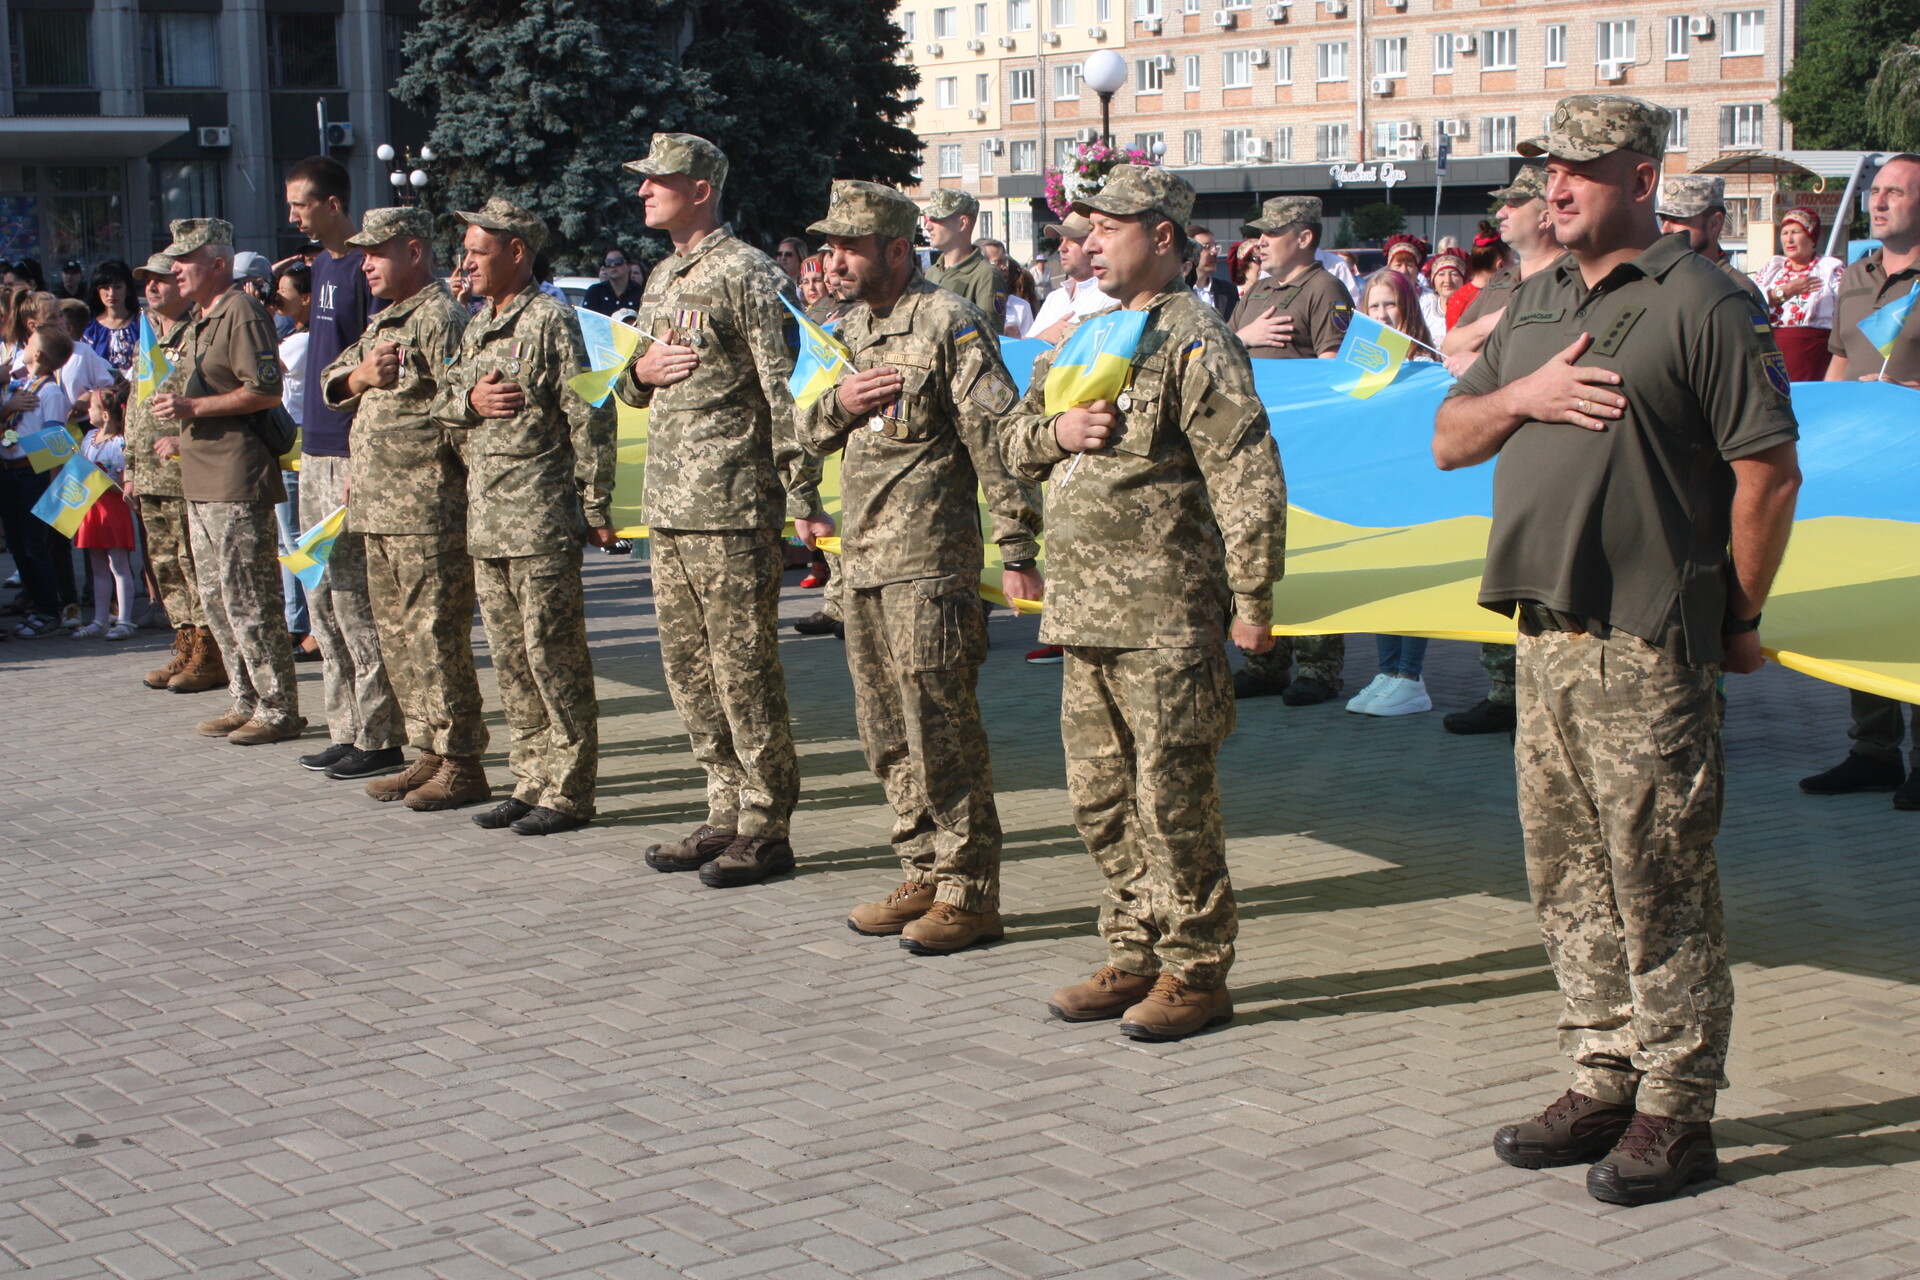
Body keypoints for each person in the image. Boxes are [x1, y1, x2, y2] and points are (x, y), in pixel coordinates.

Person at [1438, 94, 1802, 1206]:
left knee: (1660, 881)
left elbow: (1768, 473)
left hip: (1646, 643)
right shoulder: (1534, 299)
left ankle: (1678, 1108)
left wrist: (1736, 620)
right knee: (1568, 880)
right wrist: (1527, 394)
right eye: (1551, 168)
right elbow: (1453, 436)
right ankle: (1602, 1073)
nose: (1558, 188)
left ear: (1644, 178)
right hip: (1545, 637)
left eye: (1584, 171)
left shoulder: (1703, 300)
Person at [998, 164, 1286, 1038]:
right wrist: (1056, 431)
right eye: (1082, 232)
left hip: (1163, 616)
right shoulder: (1086, 335)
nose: (1086, 247)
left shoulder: (1195, 339)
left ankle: (1196, 970)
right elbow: (1011, 438)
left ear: (1162, 236)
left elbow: (1245, 473)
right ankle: (1133, 949)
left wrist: (1253, 597)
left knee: (1173, 799)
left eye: (1107, 230)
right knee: (1099, 798)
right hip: (1084, 616)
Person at [797, 178, 1043, 955]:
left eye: (848, 246)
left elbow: (997, 441)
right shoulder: (847, 327)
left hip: (928, 565)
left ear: (897, 250)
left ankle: (970, 891)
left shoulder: (948, 322)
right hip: (862, 563)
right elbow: (803, 423)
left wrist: (1016, 550)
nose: (832, 259)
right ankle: (924, 871)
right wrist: (841, 404)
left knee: (940, 732)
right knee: (884, 735)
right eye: (828, 244)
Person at [614, 133, 829, 886]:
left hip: (734, 508)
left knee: (743, 672)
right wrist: (639, 370)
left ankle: (767, 826)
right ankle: (724, 810)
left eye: (658, 181)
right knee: (688, 671)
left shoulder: (750, 273)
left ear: (701, 188)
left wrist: (801, 497)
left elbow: (787, 389)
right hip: (670, 509)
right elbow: (628, 382)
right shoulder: (665, 274)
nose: (643, 191)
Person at [430, 197, 617, 835]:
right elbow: (444, 399)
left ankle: (567, 790)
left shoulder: (551, 322)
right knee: (510, 659)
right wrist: (473, 399)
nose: (466, 264)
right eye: (464, 253)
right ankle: (530, 776)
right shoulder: (478, 323)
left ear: (515, 252)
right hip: (486, 520)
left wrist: (596, 504)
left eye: (478, 252)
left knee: (552, 655)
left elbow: (590, 414)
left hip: (539, 518)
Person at [321, 207, 488, 807]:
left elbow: (460, 413)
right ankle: (430, 751)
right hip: (381, 509)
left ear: (414, 251)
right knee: (399, 641)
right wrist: (362, 376)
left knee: (435, 639)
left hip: (427, 509)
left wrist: (472, 499)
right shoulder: (390, 318)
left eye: (377, 252)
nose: (365, 263)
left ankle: (463, 760)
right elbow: (331, 383)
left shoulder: (440, 318)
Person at [151, 218, 301, 745]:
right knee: (217, 600)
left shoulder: (241, 310)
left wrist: (193, 406)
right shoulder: (202, 317)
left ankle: (279, 707)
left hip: (236, 478)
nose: (175, 269)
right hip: (201, 477)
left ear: (217, 263)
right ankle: (246, 699)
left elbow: (264, 389)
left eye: (185, 260)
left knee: (250, 598)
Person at [1800, 152, 1920, 810]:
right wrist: (1819, 432)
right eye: (1877, 191)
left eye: (1896, 193)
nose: (1880, 202)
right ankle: (1874, 751)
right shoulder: (1857, 275)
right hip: (1861, 471)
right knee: (1865, 603)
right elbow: (1842, 359)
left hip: (1916, 466)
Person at [285, 155, 402, 780]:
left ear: (333, 204)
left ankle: (380, 733)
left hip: (349, 453)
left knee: (356, 600)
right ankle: (346, 726)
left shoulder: (361, 265)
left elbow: (374, 373)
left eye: (301, 203)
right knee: (321, 596)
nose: (293, 214)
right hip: (316, 451)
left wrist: (362, 455)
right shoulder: (321, 265)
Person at [1439, 167, 1566, 737]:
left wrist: (1495, 340)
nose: (1503, 211)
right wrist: (1506, 316)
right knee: (1496, 562)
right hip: (1488, 440)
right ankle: (1503, 688)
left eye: (1517, 201)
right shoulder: (1499, 283)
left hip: (1548, 446)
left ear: (1547, 212)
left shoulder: (1575, 275)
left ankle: (1546, 693)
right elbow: (1451, 344)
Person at [1229, 196, 1352, 705]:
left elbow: (1334, 370)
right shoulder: (1257, 290)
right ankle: (1266, 661)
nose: (1260, 240)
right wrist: (1245, 335)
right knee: (1256, 549)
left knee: (1305, 555)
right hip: (1252, 447)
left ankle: (1319, 667)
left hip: (1302, 450)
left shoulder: (1323, 289)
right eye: (1258, 231)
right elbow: (1220, 352)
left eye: (1272, 232)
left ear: (1304, 237)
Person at [1339, 270, 1440, 718]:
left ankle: (1410, 677)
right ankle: (1387, 670)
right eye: (1374, 306)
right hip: (1377, 489)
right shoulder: (1363, 365)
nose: (1381, 314)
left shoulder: (1429, 363)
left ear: (1408, 308)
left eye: (1390, 305)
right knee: (1383, 576)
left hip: (1416, 487)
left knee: (1410, 579)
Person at [126, 253, 224, 692]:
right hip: (149, 472)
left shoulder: (196, 334)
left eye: (161, 280)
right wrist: (130, 467)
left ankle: (210, 652)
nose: (152, 288)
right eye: (146, 281)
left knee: (192, 560)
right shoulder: (146, 337)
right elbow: (134, 408)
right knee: (165, 563)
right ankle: (185, 643)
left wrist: (183, 443)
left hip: (186, 467)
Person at [0, 325, 74, 637]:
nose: (23, 346)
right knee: (16, 543)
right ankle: (33, 601)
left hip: (31, 474)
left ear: (38, 354)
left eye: (28, 342)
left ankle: (49, 609)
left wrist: (47, 482)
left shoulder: (51, 391)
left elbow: (58, 447)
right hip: (8, 471)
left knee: (34, 544)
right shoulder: (20, 386)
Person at [269, 262, 316, 663]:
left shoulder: (302, 341)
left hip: (298, 443)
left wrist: (259, 312)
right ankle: (296, 621)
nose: (276, 296)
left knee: (298, 538)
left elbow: (265, 364)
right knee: (289, 540)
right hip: (289, 442)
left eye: (281, 290)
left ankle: (308, 624)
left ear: (306, 297)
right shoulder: (296, 335)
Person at [73, 382, 139, 640]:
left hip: (112, 508)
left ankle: (124, 620)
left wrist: (102, 479)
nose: (87, 411)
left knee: (119, 565)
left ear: (106, 414)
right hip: (90, 508)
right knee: (97, 567)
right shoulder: (89, 438)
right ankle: (99, 619)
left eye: (92, 407)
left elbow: (125, 482)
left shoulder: (120, 443)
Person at [1753, 207, 1845, 383]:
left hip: (1814, 357)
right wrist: (1784, 292)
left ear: (1811, 237)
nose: (1789, 239)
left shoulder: (1830, 270)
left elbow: (1846, 311)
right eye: (1784, 232)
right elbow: (1751, 303)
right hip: (1772, 353)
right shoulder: (1772, 269)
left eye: (1796, 232)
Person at [1656, 175, 1766, 306]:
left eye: (1678, 219)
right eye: (1663, 219)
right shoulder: (1659, 283)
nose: (1665, 229)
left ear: (1715, 223)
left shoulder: (1738, 291)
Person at [921, 190, 1006, 326]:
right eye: (928, 219)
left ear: (962, 223)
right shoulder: (933, 272)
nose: (928, 226)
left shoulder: (985, 275)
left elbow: (990, 336)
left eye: (936, 219)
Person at [1026, 214, 1114, 345]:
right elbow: (1024, 350)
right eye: (1062, 239)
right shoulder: (1054, 298)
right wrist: (1046, 335)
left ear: (1093, 245)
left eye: (1072, 240)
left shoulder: (1111, 297)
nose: (1061, 248)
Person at [83, 261, 139, 375]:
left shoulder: (142, 324)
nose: (111, 293)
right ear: (97, 291)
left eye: (117, 287)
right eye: (105, 288)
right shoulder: (88, 329)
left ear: (127, 289)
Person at [1187, 225, 1236, 320]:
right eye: (1207, 247)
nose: (1214, 252)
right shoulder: (1178, 291)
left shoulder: (1228, 290)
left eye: (1215, 246)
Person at [584, 247, 645, 315]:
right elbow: (588, 320)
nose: (613, 265)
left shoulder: (640, 293)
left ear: (628, 266)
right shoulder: (595, 292)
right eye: (608, 262)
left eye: (618, 261)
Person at [1425, 246, 1469, 335]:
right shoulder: (1425, 309)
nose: (1448, 280)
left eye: (1454, 274)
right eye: (1441, 274)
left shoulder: (1471, 309)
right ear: (1433, 281)